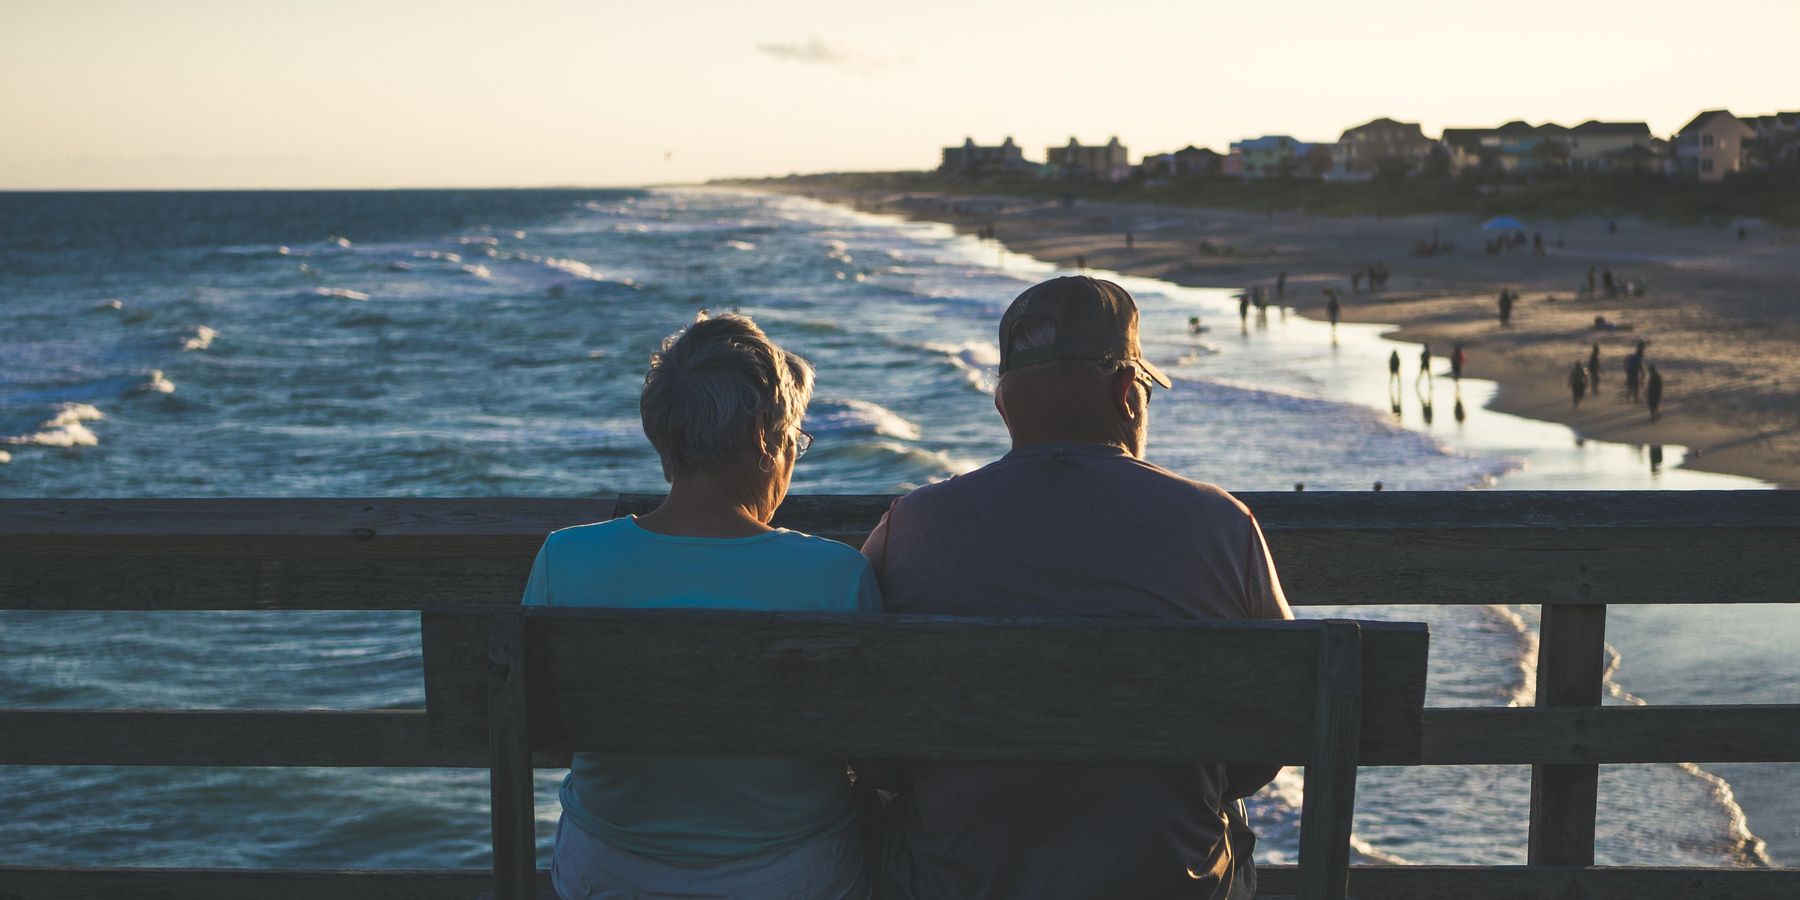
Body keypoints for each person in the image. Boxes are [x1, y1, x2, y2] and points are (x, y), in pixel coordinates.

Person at [861, 276, 1292, 900]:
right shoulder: (1223, 524)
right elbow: (1280, 721)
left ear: (1004, 404)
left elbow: (869, 742)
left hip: (959, 882)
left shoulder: (911, 526)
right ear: (1127, 394)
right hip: (1167, 884)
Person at [523, 312, 876, 900]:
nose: (792, 457)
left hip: (607, 873)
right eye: (796, 440)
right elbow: (872, 753)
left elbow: (552, 739)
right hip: (794, 876)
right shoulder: (837, 575)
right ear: (764, 433)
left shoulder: (566, 558)